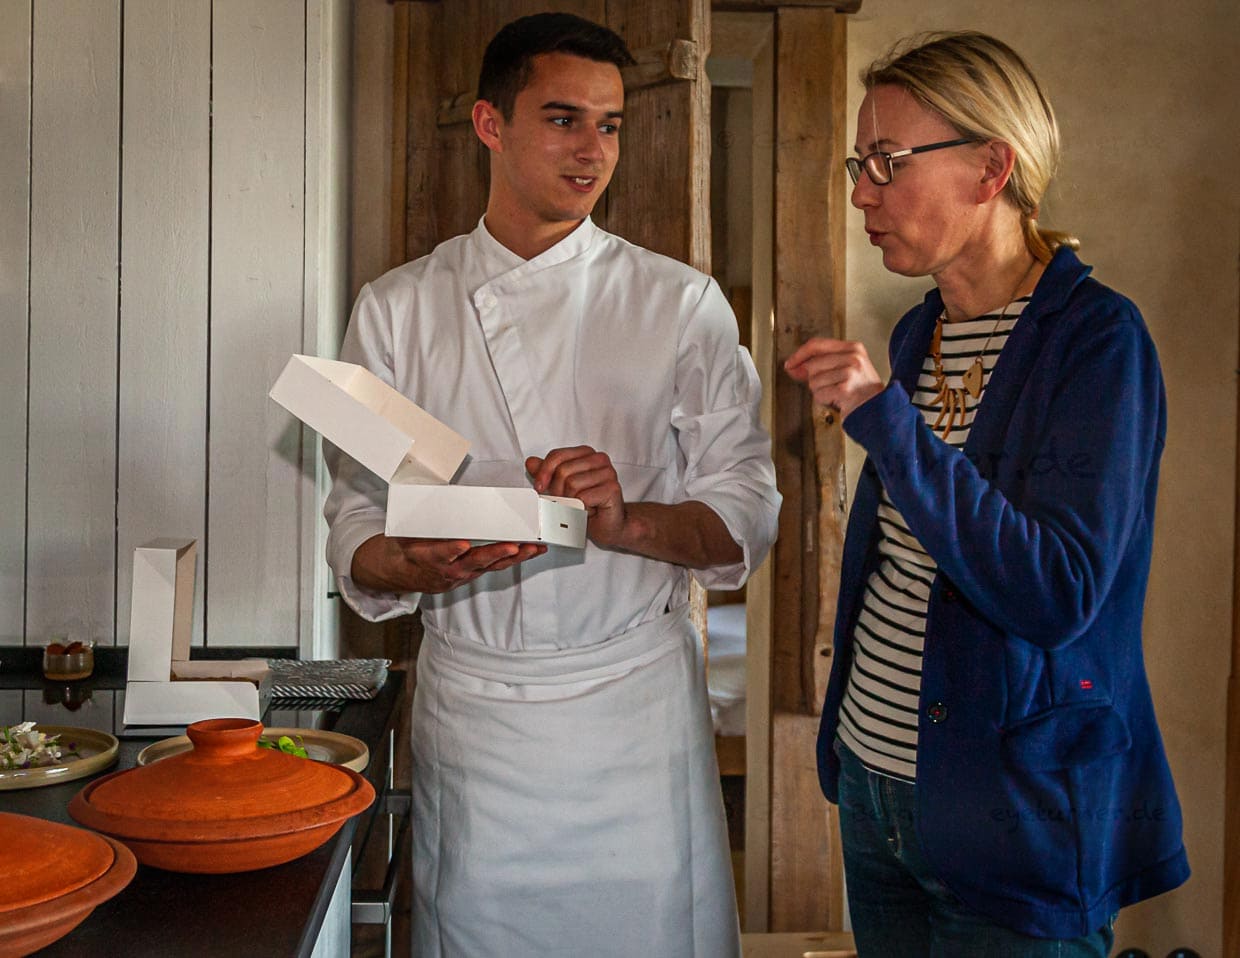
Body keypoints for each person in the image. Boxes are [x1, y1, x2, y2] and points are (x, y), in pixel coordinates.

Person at [323, 12, 780, 958]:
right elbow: (357, 518)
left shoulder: (679, 304)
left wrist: (627, 522)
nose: (592, 151)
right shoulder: (398, 309)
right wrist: (410, 563)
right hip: (477, 721)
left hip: (632, 719)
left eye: (610, 125)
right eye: (564, 119)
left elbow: (745, 518)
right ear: (490, 123)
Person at [784, 31, 1189, 957]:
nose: (862, 193)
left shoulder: (1098, 343)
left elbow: (1054, 592)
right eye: (858, 164)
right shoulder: (917, 335)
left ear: (991, 168)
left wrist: (890, 426)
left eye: (888, 162)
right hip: (874, 788)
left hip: (1015, 818)